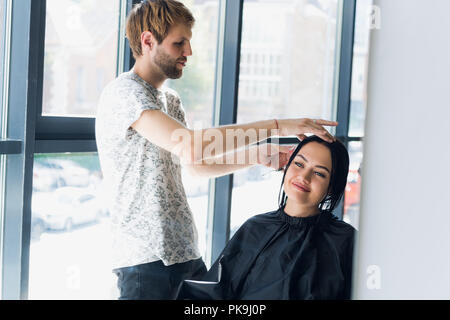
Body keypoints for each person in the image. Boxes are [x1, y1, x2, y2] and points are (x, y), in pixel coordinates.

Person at [95, 0, 338, 300]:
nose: (188, 52)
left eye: (189, 42)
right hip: (144, 262)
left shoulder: (170, 102)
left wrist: (257, 155)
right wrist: (277, 125)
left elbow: (195, 164)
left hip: (185, 253)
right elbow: (192, 145)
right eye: (179, 43)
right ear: (147, 41)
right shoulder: (124, 94)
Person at [177, 136, 356, 300]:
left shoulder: (347, 241)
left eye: (319, 173)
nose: (303, 177)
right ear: (287, 166)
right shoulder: (255, 228)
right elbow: (210, 294)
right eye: (299, 164)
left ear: (332, 186)